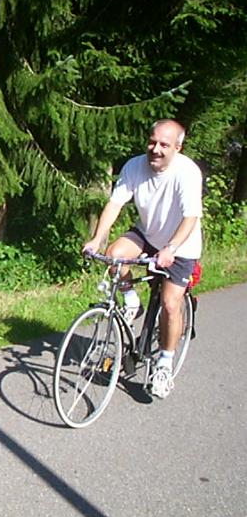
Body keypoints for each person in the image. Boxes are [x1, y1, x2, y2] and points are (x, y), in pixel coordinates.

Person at [83, 119, 203, 399]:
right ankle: (131, 302)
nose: (155, 149)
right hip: (148, 234)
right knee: (115, 255)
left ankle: (164, 365)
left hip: (181, 244)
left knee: (170, 304)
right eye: (152, 142)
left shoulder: (187, 172)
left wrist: (171, 248)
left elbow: (190, 217)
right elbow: (115, 204)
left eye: (164, 145)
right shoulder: (134, 166)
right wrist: (97, 239)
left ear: (177, 147)